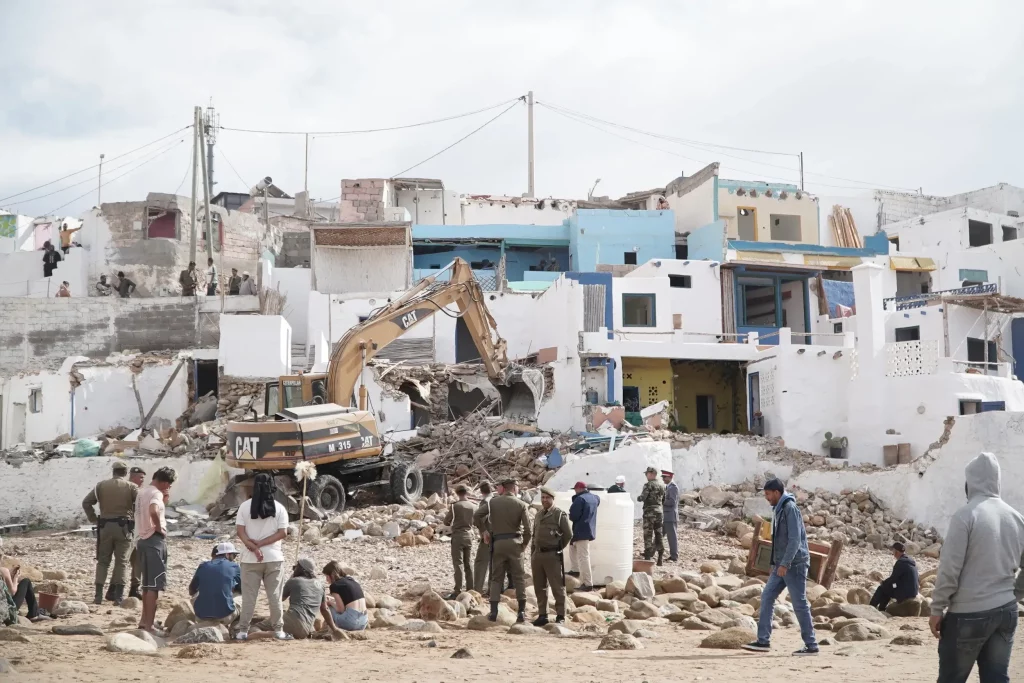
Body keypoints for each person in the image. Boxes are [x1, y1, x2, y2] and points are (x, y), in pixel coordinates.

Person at [930, 452, 1024, 682]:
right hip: (1006, 611)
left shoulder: (965, 515)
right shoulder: (1016, 517)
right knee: (997, 678)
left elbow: (950, 569)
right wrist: (1016, 594)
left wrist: (936, 609)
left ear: (969, 482)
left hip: (967, 614)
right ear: (997, 481)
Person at [743, 478, 818, 656]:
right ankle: (763, 641)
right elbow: (777, 540)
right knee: (767, 596)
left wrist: (785, 563)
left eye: (768, 494)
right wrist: (774, 564)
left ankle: (812, 645)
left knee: (799, 604)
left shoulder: (789, 508)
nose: (767, 497)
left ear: (777, 492)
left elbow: (794, 540)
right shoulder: (778, 508)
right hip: (781, 564)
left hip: (795, 564)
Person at [234, 473, 291, 641]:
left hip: (250, 559)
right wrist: (262, 544)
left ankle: (243, 631)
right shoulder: (279, 508)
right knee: (274, 596)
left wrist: (253, 546)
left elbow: (240, 532)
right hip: (274, 558)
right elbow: (283, 533)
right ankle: (278, 630)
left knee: (249, 597)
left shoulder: (244, 507)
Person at [82, 461, 139, 605]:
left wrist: (94, 519)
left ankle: (98, 596)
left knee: (103, 562)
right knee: (122, 562)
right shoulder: (132, 487)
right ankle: (118, 597)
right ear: (125, 473)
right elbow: (140, 505)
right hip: (124, 528)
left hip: (105, 527)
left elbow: (86, 502)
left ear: (113, 472)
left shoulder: (101, 485)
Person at [485, 478, 531, 624]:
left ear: (503, 488)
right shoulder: (521, 504)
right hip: (515, 542)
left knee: (496, 577)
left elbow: (482, 517)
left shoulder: (493, 502)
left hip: (498, 543)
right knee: (518, 577)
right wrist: (523, 545)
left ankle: (493, 612)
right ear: (515, 488)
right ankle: (522, 612)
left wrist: (485, 531)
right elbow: (528, 530)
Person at [136, 466, 177, 633]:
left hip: (142, 540)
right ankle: (150, 626)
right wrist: (159, 528)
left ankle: (144, 621)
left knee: (147, 585)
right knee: (154, 585)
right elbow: (153, 510)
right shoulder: (156, 494)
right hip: (154, 540)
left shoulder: (142, 492)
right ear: (166, 483)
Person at [530, 487, 572, 626]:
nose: (544, 500)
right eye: (542, 498)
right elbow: (534, 535)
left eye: (547, 498)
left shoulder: (559, 515)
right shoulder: (538, 514)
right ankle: (543, 614)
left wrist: (558, 548)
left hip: (552, 555)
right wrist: (533, 553)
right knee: (539, 586)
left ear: (553, 499)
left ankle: (561, 615)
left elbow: (568, 535)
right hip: (538, 555)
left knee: (557, 586)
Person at [188, 542, 242, 625]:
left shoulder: (203, 566)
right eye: (233, 556)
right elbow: (243, 589)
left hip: (201, 617)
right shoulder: (234, 566)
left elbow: (191, 591)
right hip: (225, 616)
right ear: (227, 554)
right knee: (245, 596)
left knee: (199, 593)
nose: (234, 558)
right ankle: (236, 628)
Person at [282, 558, 336, 639]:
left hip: (293, 621)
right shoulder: (320, 585)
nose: (294, 570)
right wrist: (334, 628)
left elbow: (278, 600)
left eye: (295, 568)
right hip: (307, 627)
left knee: (257, 628)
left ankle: (283, 635)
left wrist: (290, 580)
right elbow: (325, 609)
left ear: (301, 569)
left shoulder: (294, 581)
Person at [444, 485, 475, 598]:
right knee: (468, 563)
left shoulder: (455, 506)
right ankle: (471, 588)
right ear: (466, 492)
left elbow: (446, 521)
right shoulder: (473, 506)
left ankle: (458, 590)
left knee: (458, 563)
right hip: (469, 535)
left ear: (457, 493)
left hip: (458, 536)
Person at [0, 539, 42, 623]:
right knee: (26, 582)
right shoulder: (3, 571)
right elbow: (12, 592)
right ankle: (33, 614)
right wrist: (15, 578)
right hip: (4, 609)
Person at [568, 481, 599, 591]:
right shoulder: (595, 498)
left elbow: (573, 516)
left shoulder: (579, 499)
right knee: (572, 546)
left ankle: (588, 583)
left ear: (578, 489)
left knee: (583, 557)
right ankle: (575, 569)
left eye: (575, 489)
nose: (575, 491)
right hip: (589, 529)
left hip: (581, 530)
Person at [870, 542, 919, 612]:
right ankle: (881, 609)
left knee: (882, 588)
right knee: (888, 587)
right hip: (913, 591)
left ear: (896, 552)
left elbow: (893, 580)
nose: (892, 553)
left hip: (906, 593)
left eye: (893, 551)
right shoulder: (911, 561)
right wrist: (887, 584)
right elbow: (897, 581)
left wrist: (883, 582)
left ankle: (871, 608)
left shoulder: (900, 563)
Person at [323, 560, 368, 631]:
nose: (326, 579)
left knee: (327, 606)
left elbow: (340, 610)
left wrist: (330, 602)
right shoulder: (352, 581)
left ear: (332, 575)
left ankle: (328, 629)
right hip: (363, 622)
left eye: (327, 576)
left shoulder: (334, 586)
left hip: (351, 622)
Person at [637, 466, 666, 565]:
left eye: (647, 474)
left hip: (649, 513)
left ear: (652, 474)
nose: (646, 476)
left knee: (648, 534)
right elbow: (663, 500)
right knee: (659, 534)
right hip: (659, 512)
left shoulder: (648, 485)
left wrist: (639, 498)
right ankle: (660, 557)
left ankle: (648, 557)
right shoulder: (662, 485)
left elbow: (643, 497)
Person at [126, 466, 146, 598]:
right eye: (140, 478)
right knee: (124, 561)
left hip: (135, 530)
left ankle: (134, 588)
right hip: (128, 529)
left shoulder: (138, 491)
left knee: (136, 560)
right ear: (133, 477)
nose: (142, 481)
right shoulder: (128, 490)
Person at [472, 481, 493, 594]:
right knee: (493, 563)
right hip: (497, 535)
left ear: (481, 491)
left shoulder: (485, 502)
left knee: (481, 562)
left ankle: (477, 589)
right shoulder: (495, 499)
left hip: (488, 535)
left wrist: (483, 531)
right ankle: (491, 589)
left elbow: (479, 517)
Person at [662, 470, 680, 562]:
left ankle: (674, 556)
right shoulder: (668, 487)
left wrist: (661, 501)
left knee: (672, 537)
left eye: (664, 477)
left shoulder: (673, 488)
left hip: (670, 516)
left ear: (669, 477)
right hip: (666, 516)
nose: (663, 479)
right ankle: (649, 553)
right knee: (659, 535)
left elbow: (672, 502)